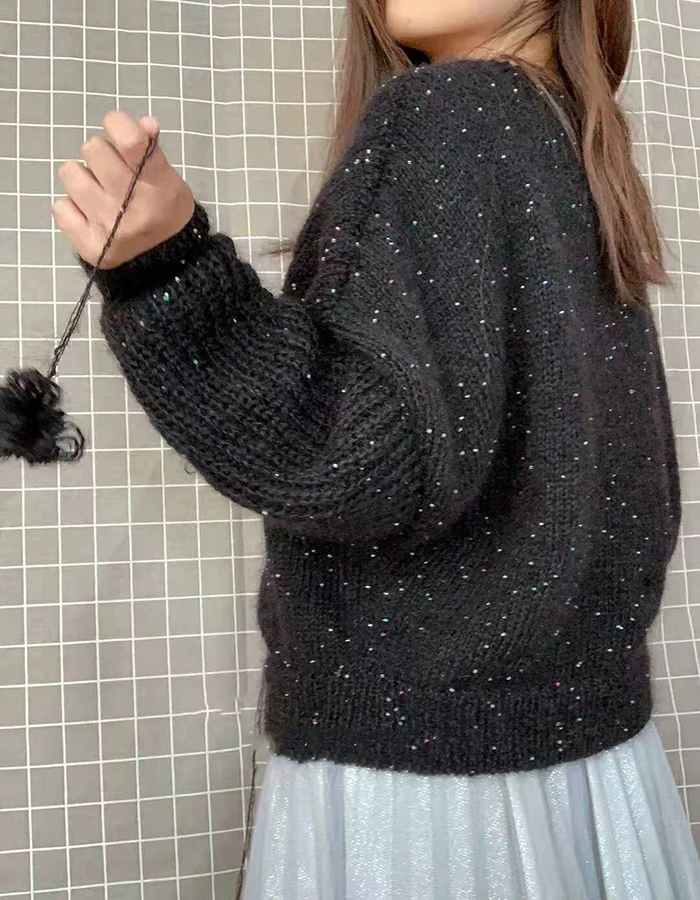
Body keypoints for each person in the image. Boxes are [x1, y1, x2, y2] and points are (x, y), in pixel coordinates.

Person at [53, 0, 700, 897]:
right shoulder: (574, 141)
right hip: (595, 768)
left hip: (430, 796)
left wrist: (167, 271)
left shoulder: (447, 112)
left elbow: (351, 457)